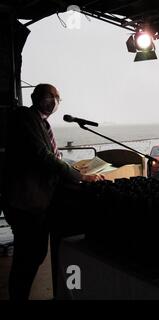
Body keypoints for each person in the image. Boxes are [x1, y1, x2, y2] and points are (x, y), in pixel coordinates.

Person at [2, 83, 104, 300]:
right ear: (35, 96)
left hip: (37, 202)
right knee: (27, 257)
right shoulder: (25, 117)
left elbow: (52, 156)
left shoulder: (40, 121)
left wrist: (72, 167)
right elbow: (43, 155)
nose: (54, 101)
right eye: (50, 96)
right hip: (25, 202)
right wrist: (79, 176)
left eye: (57, 97)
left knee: (35, 253)